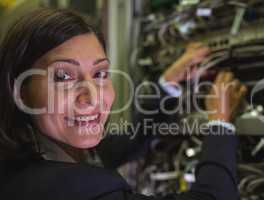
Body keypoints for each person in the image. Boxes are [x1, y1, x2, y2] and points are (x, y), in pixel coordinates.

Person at [0, 8, 246, 200]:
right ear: (20, 92)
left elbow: (118, 148)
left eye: (100, 73)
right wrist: (220, 124)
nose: (93, 96)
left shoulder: (35, 158)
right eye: (63, 76)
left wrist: (167, 85)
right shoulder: (73, 189)